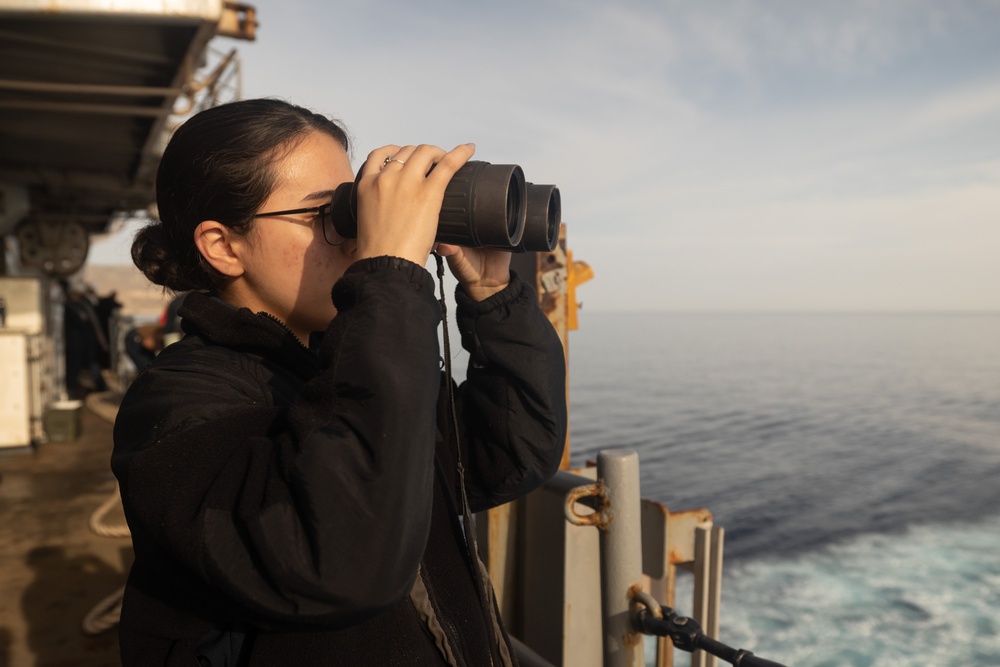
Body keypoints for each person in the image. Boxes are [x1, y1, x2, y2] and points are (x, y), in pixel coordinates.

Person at [111, 98, 567, 666]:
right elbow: (341, 560)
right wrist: (391, 276)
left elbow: (508, 453)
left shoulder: (348, 364)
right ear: (224, 247)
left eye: (353, 209)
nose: (356, 238)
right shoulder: (176, 408)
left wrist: (493, 295)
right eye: (326, 216)